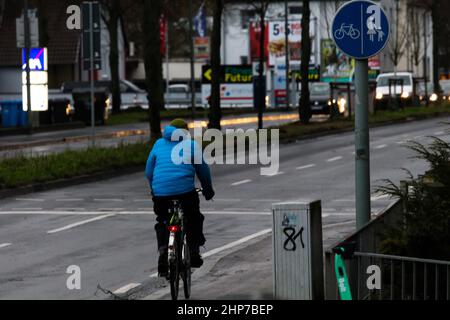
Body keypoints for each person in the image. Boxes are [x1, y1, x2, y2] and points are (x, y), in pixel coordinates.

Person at [145, 118, 215, 277]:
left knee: (163, 220)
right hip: (185, 193)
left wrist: (154, 189)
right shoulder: (191, 145)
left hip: (160, 194)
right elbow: (203, 172)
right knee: (194, 218)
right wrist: (208, 190)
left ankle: (163, 252)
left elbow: (148, 172)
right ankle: (194, 251)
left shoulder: (158, 144)